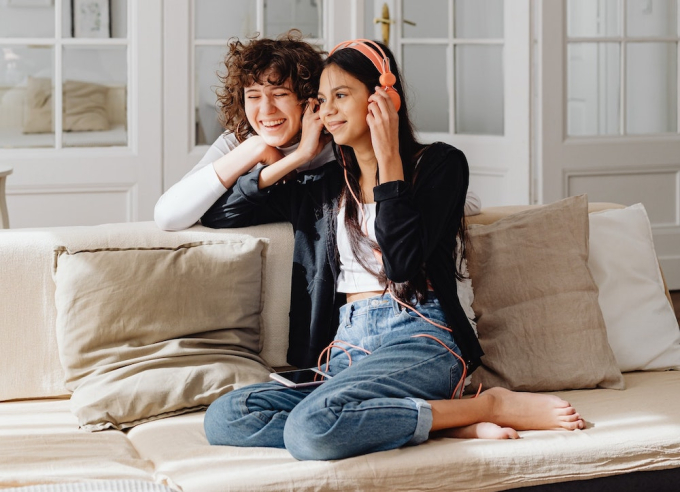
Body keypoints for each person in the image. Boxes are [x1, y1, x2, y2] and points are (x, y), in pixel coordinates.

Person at [200, 39, 584, 461]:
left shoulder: (440, 165)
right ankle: (450, 419)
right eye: (322, 100)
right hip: (346, 345)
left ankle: (487, 404)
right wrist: (299, 156)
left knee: (311, 430)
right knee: (227, 416)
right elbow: (221, 213)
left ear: (385, 97)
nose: (327, 111)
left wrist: (387, 159)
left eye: (341, 96)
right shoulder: (324, 185)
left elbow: (402, 265)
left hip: (421, 335)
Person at [154, 30, 481, 233]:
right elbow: (169, 216)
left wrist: (308, 154)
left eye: (279, 94)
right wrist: (263, 153)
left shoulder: (340, 141)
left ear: (309, 99)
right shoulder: (238, 143)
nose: (265, 111)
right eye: (253, 97)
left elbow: (465, 203)